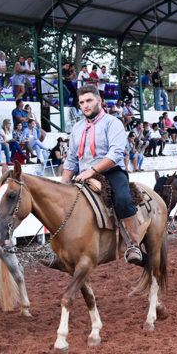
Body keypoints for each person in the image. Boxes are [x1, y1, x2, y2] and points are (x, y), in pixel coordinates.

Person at [62, 85, 143, 263]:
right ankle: (62, 247)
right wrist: (63, 183)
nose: (85, 105)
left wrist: (91, 171)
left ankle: (133, 244)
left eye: (89, 100)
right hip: (83, 174)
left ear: (99, 100)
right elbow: (72, 159)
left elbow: (115, 154)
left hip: (111, 172)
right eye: (82, 102)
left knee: (122, 199)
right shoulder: (77, 128)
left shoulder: (112, 123)